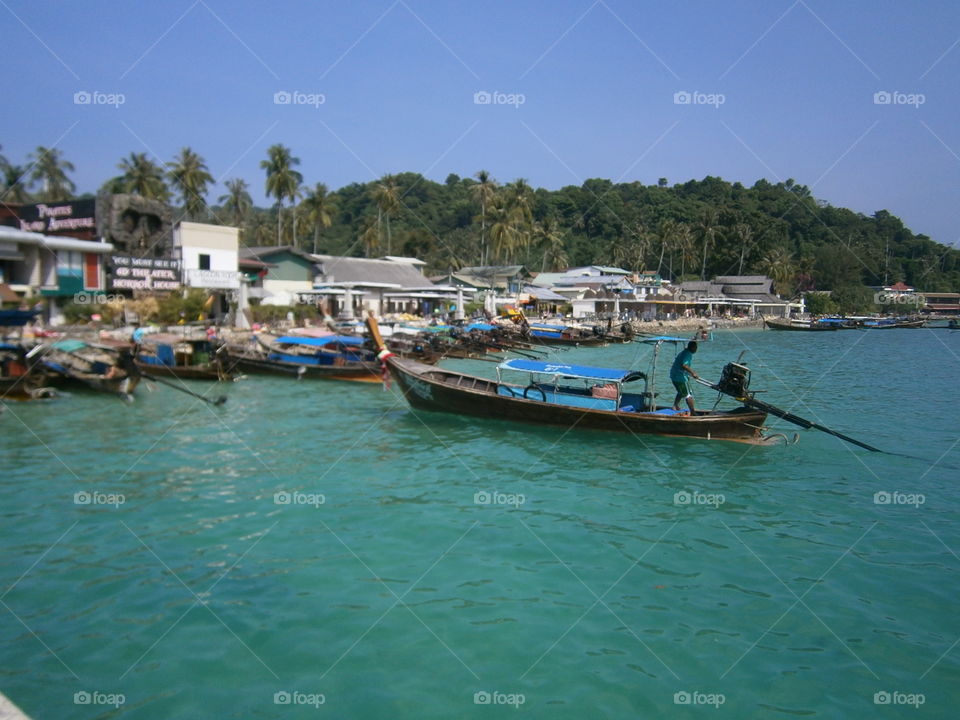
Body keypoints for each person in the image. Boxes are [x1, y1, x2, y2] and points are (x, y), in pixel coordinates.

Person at [670, 341, 699, 412]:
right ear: (692, 347)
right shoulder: (688, 354)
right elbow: (684, 365)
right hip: (680, 377)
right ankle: (693, 412)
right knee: (688, 394)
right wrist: (693, 373)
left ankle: (675, 406)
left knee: (681, 392)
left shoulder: (684, 352)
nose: (696, 349)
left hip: (674, 375)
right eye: (696, 348)